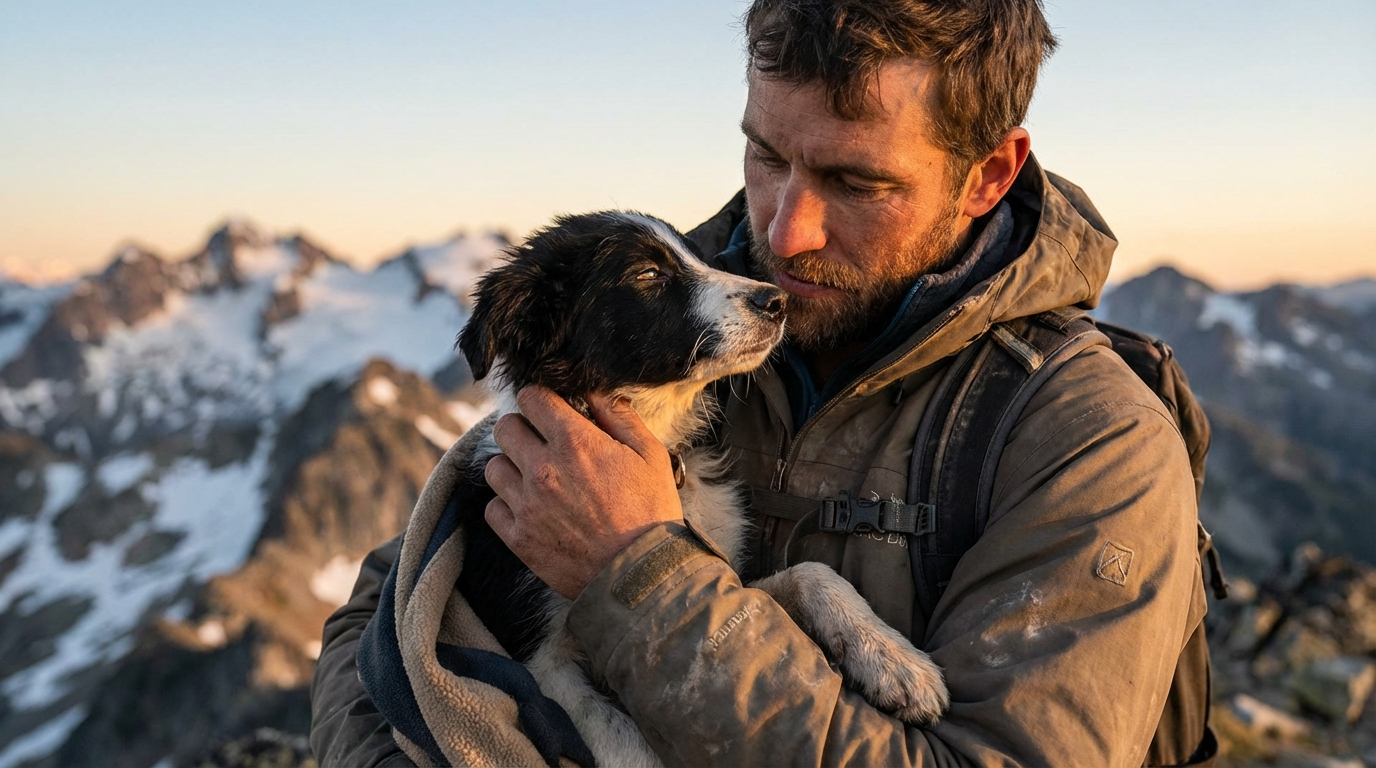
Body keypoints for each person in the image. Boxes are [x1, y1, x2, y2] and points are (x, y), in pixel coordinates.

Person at [312, 0, 1211, 765]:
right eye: (767, 156)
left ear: (986, 178)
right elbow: (383, 621)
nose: (784, 237)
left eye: (855, 181)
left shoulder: (1093, 443)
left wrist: (643, 577)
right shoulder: (628, 333)